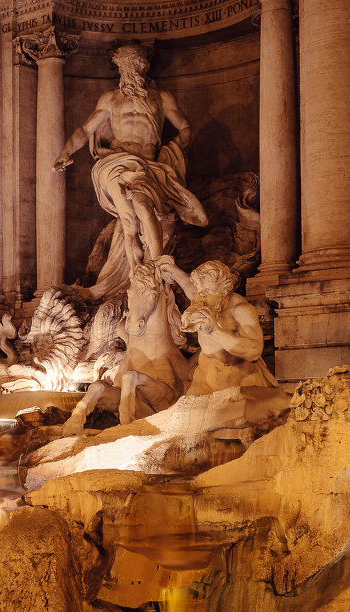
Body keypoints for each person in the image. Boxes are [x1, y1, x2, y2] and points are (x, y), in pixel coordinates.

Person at [54, 43, 207, 300]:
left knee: (143, 208)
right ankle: (144, 275)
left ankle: (156, 268)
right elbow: (84, 131)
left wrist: (173, 149)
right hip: (116, 163)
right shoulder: (110, 99)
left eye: (134, 64)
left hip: (148, 167)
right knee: (128, 218)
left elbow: (185, 128)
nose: (130, 70)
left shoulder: (163, 98)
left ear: (143, 66)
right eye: (124, 66)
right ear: (119, 69)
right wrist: (65, 152)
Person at [158, 259, 277, 395]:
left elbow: (254, 351)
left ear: (225, 290)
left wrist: (214, 331)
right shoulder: (203, 297)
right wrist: (172, 269)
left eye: (208, 290)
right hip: (205, 378)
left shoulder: (241, 309)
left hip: (239, 378)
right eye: (200, 289)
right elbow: (188, 285)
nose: (202, 296)